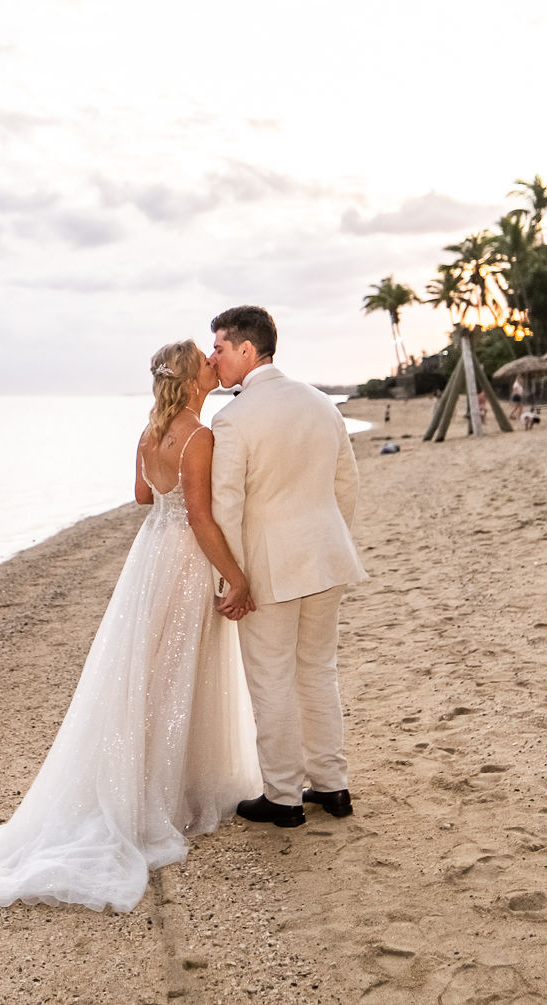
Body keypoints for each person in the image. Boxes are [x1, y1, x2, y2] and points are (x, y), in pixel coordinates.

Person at [0, 340, 261, 913]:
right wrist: (234, 576)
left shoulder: (149, 432)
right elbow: (202, 517)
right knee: (176, 670)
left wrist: (171, 497)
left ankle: (154, 788)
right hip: (184, 559)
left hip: (150, 556)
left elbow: (142, 497)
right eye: (206, 362)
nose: (215, 365)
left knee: (150, 669)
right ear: (191, 380)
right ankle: (168, 798)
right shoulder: (199, 435)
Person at [207, 305, 367, 829]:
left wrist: (231, 577)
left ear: (247, 350)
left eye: (220, 348)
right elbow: (347, 485)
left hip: (269, 569)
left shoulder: (233, 417)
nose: (214, 358)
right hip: (325, 557)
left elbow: (225, 505)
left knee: (272, 679)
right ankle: (332, 785)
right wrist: (326, 540)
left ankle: (282, 797)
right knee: (318, 672)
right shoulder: (322, 403)